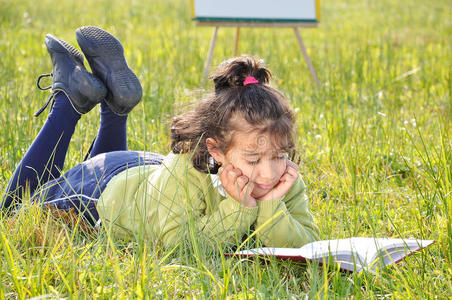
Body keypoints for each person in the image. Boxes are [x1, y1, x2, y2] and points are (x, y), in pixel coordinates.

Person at [2, 26, 319, 249]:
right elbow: (176, 243)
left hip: (148, 177)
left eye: (279, 155)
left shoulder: (281, 177)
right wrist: (240, 209)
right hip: (100, 193)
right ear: (216, 150)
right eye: (253, 159)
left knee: (142, 195)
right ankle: (67, 103)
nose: (269, 172)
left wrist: (272, 205)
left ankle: (116, 107)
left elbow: (307, 244)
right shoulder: (188, 170)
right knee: (13, 213)